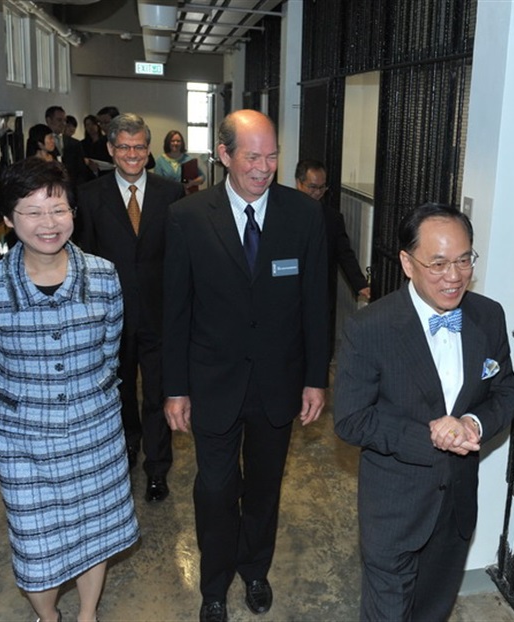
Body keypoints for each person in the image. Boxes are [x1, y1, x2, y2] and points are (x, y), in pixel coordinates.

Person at [162, 109, 330, 622]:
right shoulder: (189, 217)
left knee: (263, 486)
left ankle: (255, 570)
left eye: (272, 155)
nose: (264, 167)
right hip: (213, 381)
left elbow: (316, 304)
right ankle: (213, 586)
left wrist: (314, 378)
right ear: (225, 155)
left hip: (277, 383)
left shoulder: (303, 215)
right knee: (214, 489)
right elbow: (176, 311)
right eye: (252, 156)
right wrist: (174, 388)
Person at [0, 158, 139, 622]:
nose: (48, 223)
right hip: (24, 440)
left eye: (58, 209)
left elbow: (110, 352)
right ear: (8, 218)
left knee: (94, 530)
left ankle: (86, 613)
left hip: (94, 431)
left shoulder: (103, 276)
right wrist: (17, 413)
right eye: (32, 211)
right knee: (34, 540)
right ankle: (49, 616)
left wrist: (90, 400)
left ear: (73, 213)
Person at [333, 203, 514, 621]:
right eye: (437, 264)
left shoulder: (488, 316)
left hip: (455, 506)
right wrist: (431, 437)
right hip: (394, 507)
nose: (453, 277)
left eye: (463, 260)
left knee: (432, 612)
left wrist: (472, 423)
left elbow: (506, 391)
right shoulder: (370, 329)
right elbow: (350, 418)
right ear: (407, 262)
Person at [75, 113, 185, 503]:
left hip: (159, 315)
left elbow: (179, 259)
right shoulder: (89, 196)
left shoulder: (170, 194)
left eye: (139, 146)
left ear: (148, 149)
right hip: (110, 320)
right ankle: (127, 446)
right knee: (118, 393)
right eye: (123, 147)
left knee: (158, 394)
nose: (132, 154)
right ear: (110, 149)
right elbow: (83, 260)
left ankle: (157, 469)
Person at [295, 159, 370, 355]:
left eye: (322, 188)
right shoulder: (281, 214)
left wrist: (360, 284)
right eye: (312, 187)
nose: (317, 193)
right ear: (298, 183)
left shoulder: (332, 218)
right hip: (290, 290)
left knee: (320, 343)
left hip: (320, 290)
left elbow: (344, 253)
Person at [45, 106, 94, 187]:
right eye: (59, 120)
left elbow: (81, 170)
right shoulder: (42, 142)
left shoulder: (75, 143)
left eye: (64, 120)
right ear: (49, 120)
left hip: (73, 188)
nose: (63, 124)